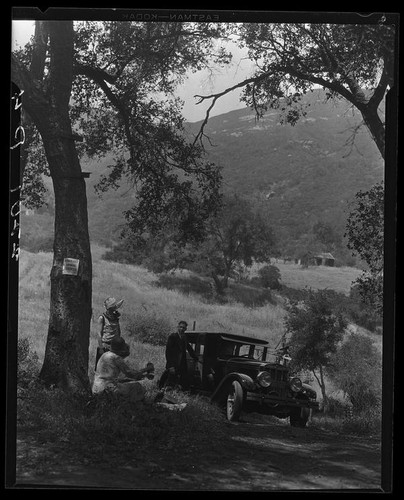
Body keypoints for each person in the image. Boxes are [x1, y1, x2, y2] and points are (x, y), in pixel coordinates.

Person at [92, 336, 154, 402]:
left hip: (96, 389)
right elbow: (131, 374)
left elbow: (109, 377)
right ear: (122, 348)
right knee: (137, 386)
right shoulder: (116, 358)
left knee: (123, 381)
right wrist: (147, 369)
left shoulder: (105, 355)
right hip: (106, 390)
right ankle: (137, 406)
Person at [161, 321, 198, 390]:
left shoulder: (184, 338)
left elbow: (189, 349)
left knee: (183, 380)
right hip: (173, 363)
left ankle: (178, 394)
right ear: (177, 327)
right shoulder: (172, 337)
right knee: (170, 380)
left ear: (186, 329)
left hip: (182, 363)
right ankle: (165, 393)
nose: (182, 329)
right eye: (180, 327)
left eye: (183, 328)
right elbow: (168, 352)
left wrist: (196, 358)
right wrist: (171, 366)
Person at [95, 297, 124, 369]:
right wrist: (101, 348)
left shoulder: (116, 318)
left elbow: (118, 331)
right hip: (105, 346)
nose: (114, 309)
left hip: (114, 347)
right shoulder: (102, 318)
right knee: (101, 369)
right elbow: (99, 334)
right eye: (113, 308)